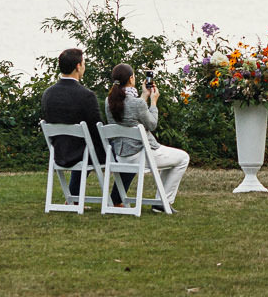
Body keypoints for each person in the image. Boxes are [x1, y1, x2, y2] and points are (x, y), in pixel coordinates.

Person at [39, 48, 122, 205]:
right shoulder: (86, 95)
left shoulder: (48, 94)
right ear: (78, 66)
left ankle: (74, 197)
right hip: (82, 152)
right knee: (122, 149)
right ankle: (117, 199)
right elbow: (97, 129)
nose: (84, 66)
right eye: (84, 63)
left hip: (59, 152)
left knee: (87, 144)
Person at [103, 62, 191, 209]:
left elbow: (131, 113)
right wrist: (153, 102)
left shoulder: (109, 101)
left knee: (171, 160)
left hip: (121, 156)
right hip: (141, 154)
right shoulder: (136, 103)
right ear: (131, 79)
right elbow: (152, 124)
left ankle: (161, 201)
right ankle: (164, 202)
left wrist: (144, 95)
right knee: (183, 158)